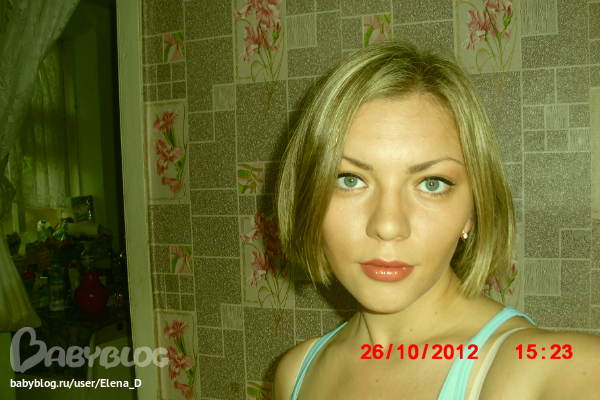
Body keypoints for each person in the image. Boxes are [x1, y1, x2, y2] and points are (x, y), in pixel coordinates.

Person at [273, 41, 600, 400]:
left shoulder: (545, 369)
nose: (388, 226)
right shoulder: (296, 373)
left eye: (432, 184)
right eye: (349, 180)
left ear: (473, 210)